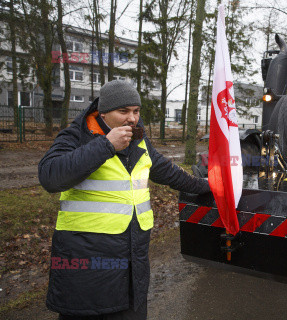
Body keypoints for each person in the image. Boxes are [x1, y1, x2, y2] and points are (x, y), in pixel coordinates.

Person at [38, 80, 210, 319]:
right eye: (124, 111)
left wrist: (207, 186)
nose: (132, 118)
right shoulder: (78, 135)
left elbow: (166, 171)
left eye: (136, 111)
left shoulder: (138, 140)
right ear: (104, 112)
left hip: (131, 264)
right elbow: (50, 177)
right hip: (87, 267)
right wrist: (106, 145)